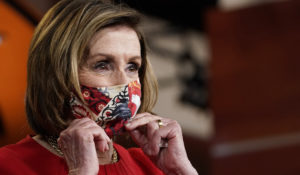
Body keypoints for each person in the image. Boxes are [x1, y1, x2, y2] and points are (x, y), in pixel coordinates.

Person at [0, 0, 198, 174]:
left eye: (132, 66)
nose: (124, 82)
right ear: (56, 74)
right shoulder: (9, 164)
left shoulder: (150, 165)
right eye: (102, 65)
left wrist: (181, 171)